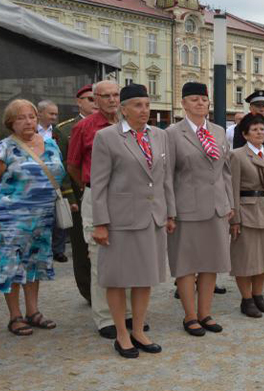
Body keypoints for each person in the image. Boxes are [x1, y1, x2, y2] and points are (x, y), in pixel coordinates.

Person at [90, 83, 171, 358]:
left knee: (144, 277)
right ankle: (121, 334)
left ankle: (138, 329)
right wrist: (100, 223)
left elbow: (164, 178)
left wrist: (169, 213)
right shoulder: (107, 137)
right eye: (137, 105)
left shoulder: (160, 136)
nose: (144, 110)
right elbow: (98, 184)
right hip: (120, 219)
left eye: (147, 105)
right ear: (123, 109)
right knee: (118, 278)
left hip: (152, 217)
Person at [68, 80, 143, 339]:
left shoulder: (131, 125)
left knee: (133, 255)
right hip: (98, 195)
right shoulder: (84, 127)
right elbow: (74, 165)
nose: (112, 100)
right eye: (106, 96)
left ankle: (132, 314)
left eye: (115, 95)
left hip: (130, 197)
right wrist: (91, 188)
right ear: (95, 99)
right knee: (101, 257)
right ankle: (106, 318)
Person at [166, 82, 232, 336]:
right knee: (186, 263)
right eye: (194, 99)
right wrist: (170, 211)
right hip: (187, 208)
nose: (200, 103)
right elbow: (167, 175)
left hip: (216, 207)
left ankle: (205, 313)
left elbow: (225, 172)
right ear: (183, 103)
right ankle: (190, 316)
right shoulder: (172, 133)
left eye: (203, 99)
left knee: (210, 262)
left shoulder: (217, 131)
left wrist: (230, 204)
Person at [1, 99, 64, 335]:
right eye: (21, 117)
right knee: (13, 268)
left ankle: (33, 311)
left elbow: (60, 173)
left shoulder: (50, 145)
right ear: (11, 123)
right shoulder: (5, 148)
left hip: (42, 217)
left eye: (32, 116)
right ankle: (15, 316)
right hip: (12, 220)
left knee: (34, 265)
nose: (28, 121)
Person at [229, 114, 264, 317]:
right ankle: (246, 299)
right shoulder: (237, 155)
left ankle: (259, 296)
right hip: (248, 212)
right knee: (246, 259)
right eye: (254, 129)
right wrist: (234, 219)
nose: (260, 132)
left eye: (262, 129)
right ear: (244, 134)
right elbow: (232, 188)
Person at [233, 90, 264, 279]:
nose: (262, 109)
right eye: (257, 106)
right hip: (250, 200)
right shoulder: (241, 130)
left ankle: (263, 282)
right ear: (251, 107)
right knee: (249, 254)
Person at [57, 85, 97, 302]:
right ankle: (88, 292)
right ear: (78, 102)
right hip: (80, 195)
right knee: (82, 247)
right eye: (89, 99)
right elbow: (63, 167)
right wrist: (71, 196)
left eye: (95, 98)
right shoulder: (64, 130)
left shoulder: (111, 125)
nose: (94, 103)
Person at [37, 100, 69, 263]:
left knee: (58, 217)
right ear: (40, 113)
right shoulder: (30, 132)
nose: (54, 117)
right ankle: (41, 250)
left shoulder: (59, 133)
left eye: (56, 114)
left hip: (55, 183)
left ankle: (58, 250)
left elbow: (65, 159)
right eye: (51, 113)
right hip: (35, 183)